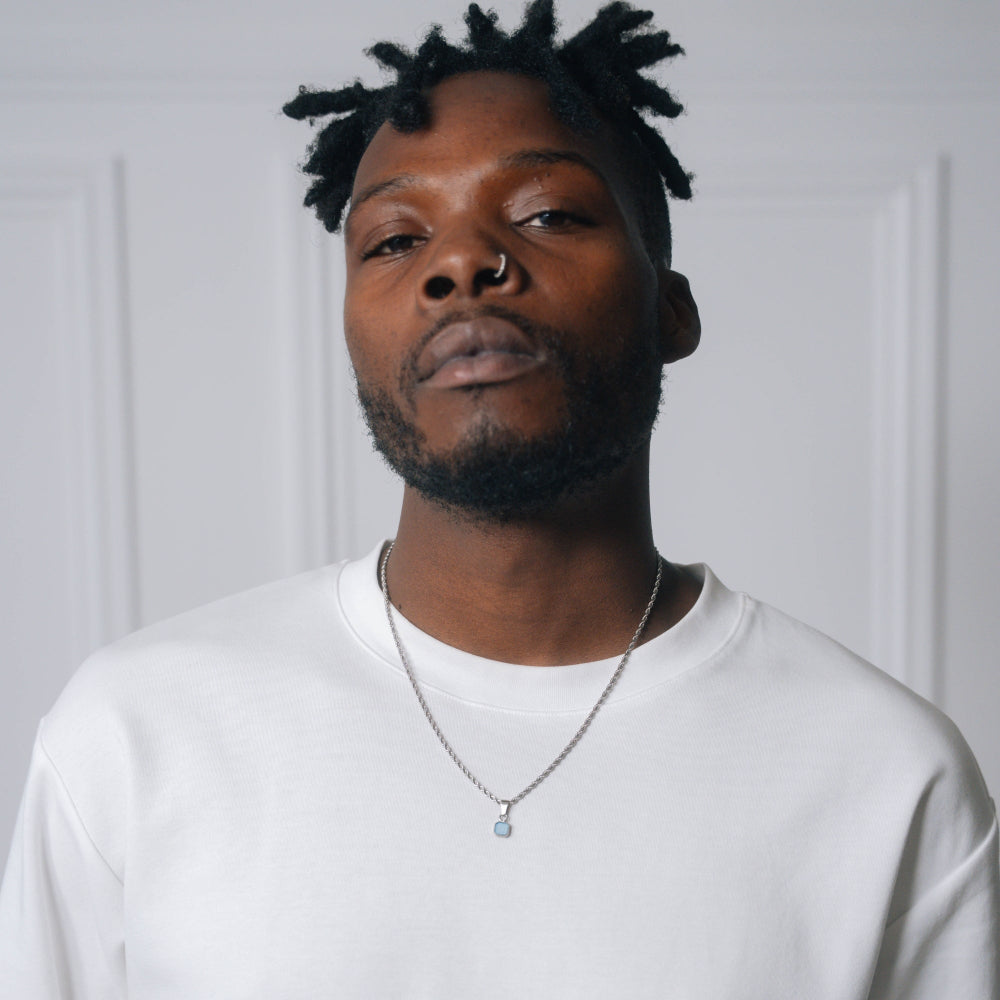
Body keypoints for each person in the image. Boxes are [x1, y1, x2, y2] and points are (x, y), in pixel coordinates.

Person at [1, 1, 997, 996]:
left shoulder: (883, 775)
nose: (459, 264)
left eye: (547, 213)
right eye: (392, 240)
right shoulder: (134, 734)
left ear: (672, 308)